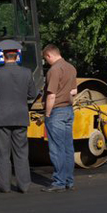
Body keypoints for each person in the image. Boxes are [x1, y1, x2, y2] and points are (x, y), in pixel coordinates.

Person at [0, 40, 37, 193]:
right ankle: (24, 185)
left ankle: (4, 186)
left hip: (2, 117)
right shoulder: (27, 72)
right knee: (21, 152)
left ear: (3, 55)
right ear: (17, 55)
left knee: (3, 153)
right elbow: (32, 94)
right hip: (20, 116)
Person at [41, 44, 77, 192]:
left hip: (56, 111)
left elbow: (51, 95)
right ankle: (69, 180)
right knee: (68, 147)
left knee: (56, 149)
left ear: (49, 55)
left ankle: (59, 182)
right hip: (69, 110)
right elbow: (74, 91)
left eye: (45, 59)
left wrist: (47, 114)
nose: (46, 61)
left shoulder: (54, 70)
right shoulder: (71, 68)